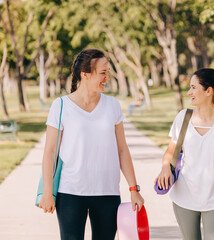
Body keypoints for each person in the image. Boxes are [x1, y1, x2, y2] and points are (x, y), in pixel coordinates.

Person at [39, 49, 144, 240]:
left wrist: (133, 189)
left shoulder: (112, 105)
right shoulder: (61, 106)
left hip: (107, 192)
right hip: (70, 192)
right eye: (102, 73)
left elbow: (122, 149)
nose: (107, 78)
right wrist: (47, 193)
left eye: (108, 73)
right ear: (85, 74)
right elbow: (50, 152)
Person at [155, 68, 214, 240]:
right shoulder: (183, 117)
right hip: (183, 197)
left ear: (209, 91)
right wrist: (164, 168)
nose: (189, 92)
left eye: (193, 87)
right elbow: (170, 152)